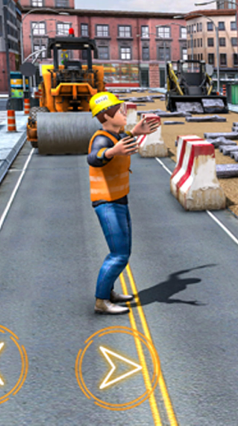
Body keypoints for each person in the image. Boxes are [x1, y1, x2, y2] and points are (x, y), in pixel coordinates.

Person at [87, 92, 161, 315]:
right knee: (119, 255)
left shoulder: (115, 136)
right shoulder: (102, 140)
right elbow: (94, 157)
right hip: (107, 203)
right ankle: (101, 301)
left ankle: (108, 291)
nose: (124, 112)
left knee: (122, 251)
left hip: (119, 200)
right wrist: (111, 152)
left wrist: (135, 133)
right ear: (106, 115)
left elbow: (122, 142)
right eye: (119, 110)